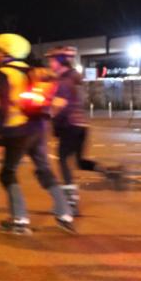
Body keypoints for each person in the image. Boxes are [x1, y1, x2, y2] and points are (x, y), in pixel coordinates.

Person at [0, 33, 75, 235]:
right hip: (38, 128)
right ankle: (65, 214)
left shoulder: (4, 73)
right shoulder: (32, 71)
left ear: (5, 52)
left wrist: (0, 133)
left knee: (7, 173)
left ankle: (19, 219)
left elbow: (3, 106)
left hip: (17, 130)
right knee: (44, 170)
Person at [46, 46, 100, 216]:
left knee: (62, 159)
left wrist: (43, 113)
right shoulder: (74, 78)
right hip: (82, 126)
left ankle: (70, 201)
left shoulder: (64, 82)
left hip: (70, 126)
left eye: (52, 60)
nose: (50, 63)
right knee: (78, 161)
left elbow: (57, 108)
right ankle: (108, 171)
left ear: (60, 61)